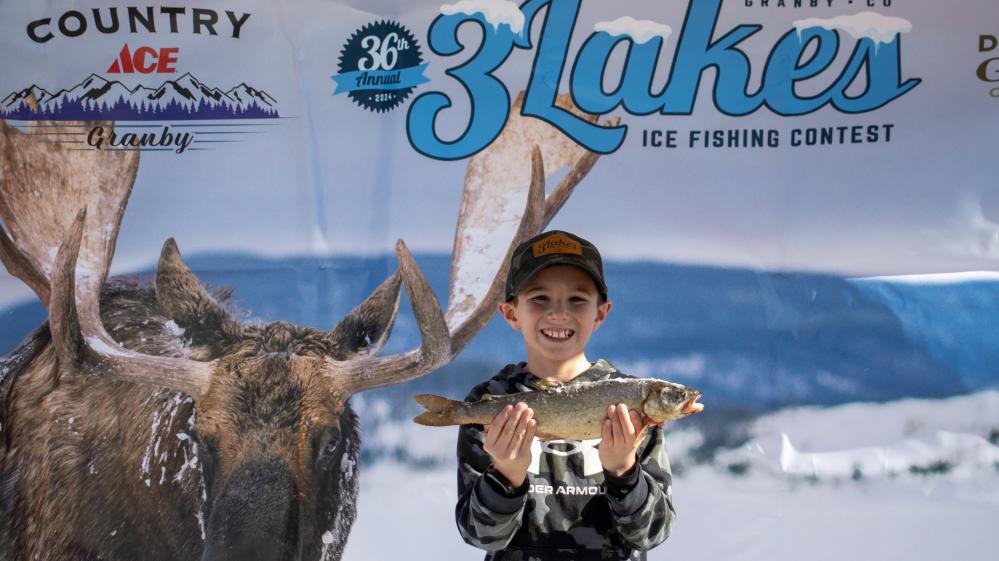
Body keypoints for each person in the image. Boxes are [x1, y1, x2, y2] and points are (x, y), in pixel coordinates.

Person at [455, 230, 675, 561]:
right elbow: (479, 535)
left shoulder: (634, 402)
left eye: (577, 299)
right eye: (540, 298)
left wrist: (624, 471)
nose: (558, 313)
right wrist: (506, 475)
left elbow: (651, 534)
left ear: (600, 313)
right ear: (511, 313)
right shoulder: (490, 401)